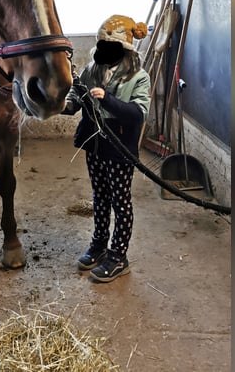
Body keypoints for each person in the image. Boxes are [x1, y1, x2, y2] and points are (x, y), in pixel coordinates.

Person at [63, 15, 151, 282]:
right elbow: (77, 97)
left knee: (120, 201)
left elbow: (138, 114)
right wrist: (65, 104)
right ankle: (99, 245)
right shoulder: (92, 70)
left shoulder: (139, 77)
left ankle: (118, 255)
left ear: (124, 49)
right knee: (99, 197)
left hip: (119, 149)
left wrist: (108, 99)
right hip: (95, 146)